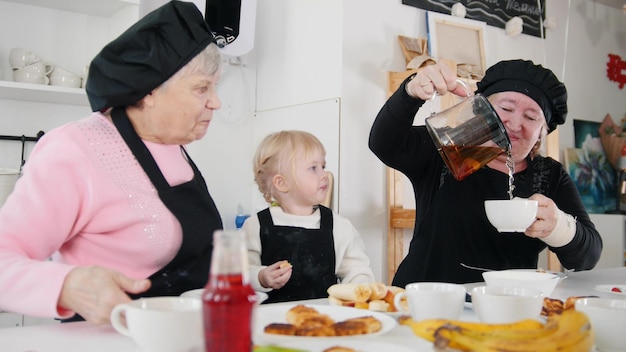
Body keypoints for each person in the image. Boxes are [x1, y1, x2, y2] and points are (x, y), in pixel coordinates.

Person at [0, 1, 223, 325]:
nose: (215, 102)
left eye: (215, 87)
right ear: (149, 92)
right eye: (202, 87)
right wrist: (67, 286)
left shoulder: (172, 144)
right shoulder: (75, 149)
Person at [369, 59, 603, 287]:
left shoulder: (549, 175)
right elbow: (384, 144)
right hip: (427, 300)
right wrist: (411, 92)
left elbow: (588, 256)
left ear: (542, 131)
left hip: (506, 308)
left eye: (531, 117)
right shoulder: (446, 149)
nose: (513, 123)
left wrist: (558, 227)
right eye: (506, 108)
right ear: (482, 109)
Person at [243, 130, 375, 303]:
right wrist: (260, 277)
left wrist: (362, 291)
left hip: (323, 322)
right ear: (282, 183)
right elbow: (240, 273)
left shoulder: (339, 226)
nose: (324, 174)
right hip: (270, 323)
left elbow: (357, 271)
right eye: (313, 168)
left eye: (323, 166)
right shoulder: (255, 226)